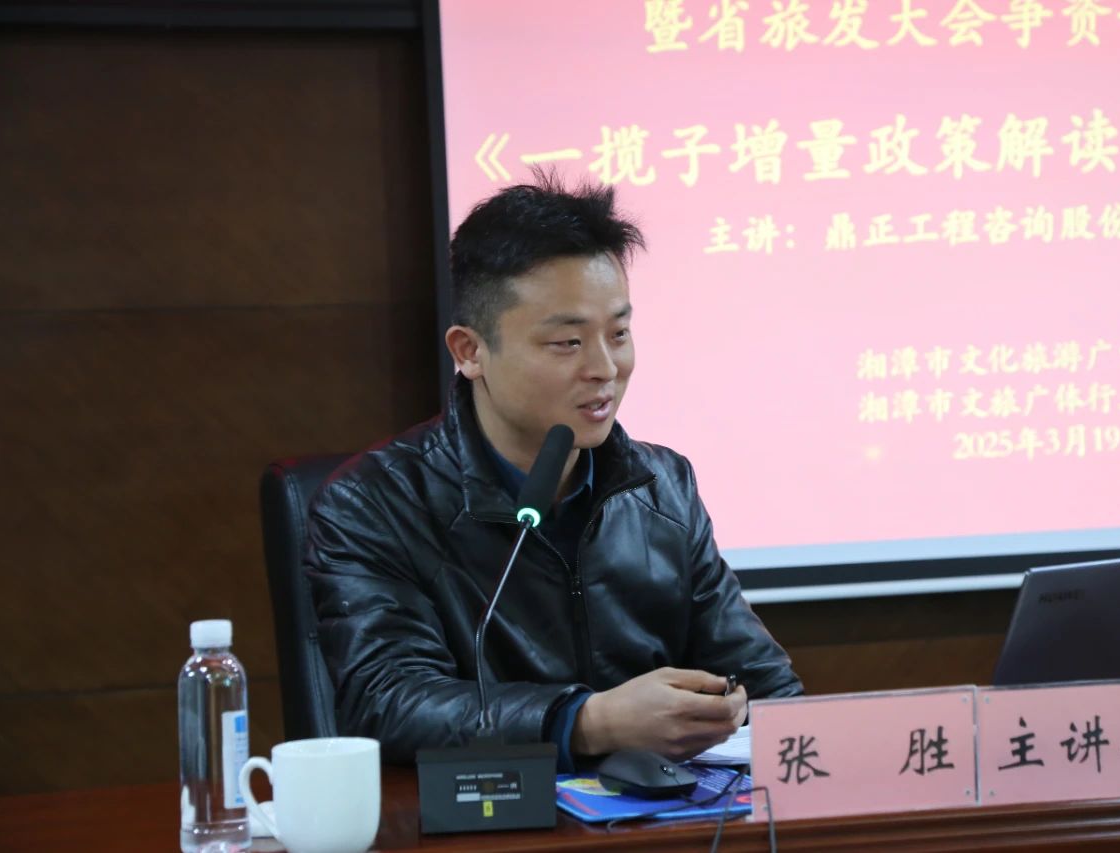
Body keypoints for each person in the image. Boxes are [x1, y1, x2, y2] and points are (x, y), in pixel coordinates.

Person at [305, 173, 802, 769]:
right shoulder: (374, 504)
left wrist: (744, 708)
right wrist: (588, 721)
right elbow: (387, 702)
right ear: (470, 351)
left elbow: (768, 690)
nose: (605, 368)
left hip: (661, 811)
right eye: (568, 342)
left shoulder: (662, 487)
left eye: (618, 334)